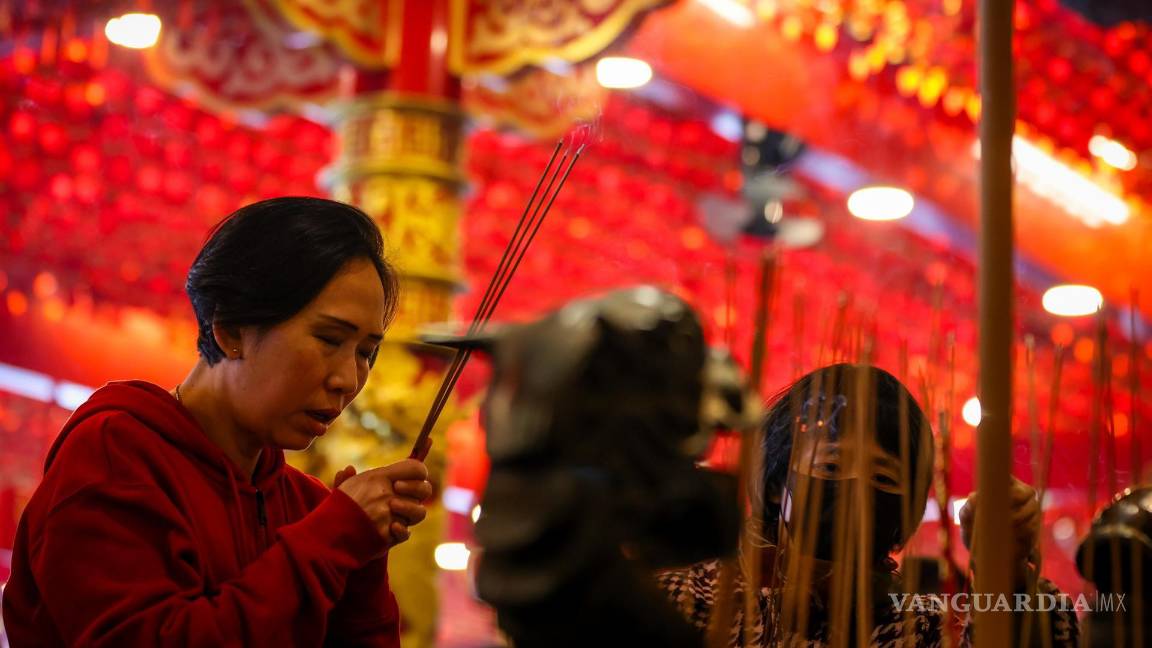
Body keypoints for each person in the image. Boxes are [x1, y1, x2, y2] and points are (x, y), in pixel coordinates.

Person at [1, 197, 433, 646]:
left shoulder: (306, 504)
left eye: (366, 353)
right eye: (329, 338)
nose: (348, 379)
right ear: (229, 330)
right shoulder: (115, 455)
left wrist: (360, 560)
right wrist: (332, 540)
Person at [660, 363, 1077, 647]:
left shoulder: (922, 628)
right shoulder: (693, 601)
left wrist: (1005, 573)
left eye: (883, 477)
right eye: (832, 463)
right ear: (775, 483)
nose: (856, 489)